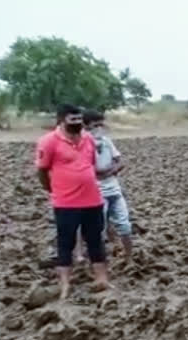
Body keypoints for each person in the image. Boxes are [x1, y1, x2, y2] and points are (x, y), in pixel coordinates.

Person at [36, 104, 109, 298]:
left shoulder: (88, 138)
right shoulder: (49, 141)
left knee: (95, 240)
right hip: (66, 202)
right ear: (61, 120)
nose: (77, 123)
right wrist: (51, 190)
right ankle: (65, 284)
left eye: (79, 119)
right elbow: (42, 171)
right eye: (73, 120)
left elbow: (91, 165)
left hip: (92, 200)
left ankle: (101, 278)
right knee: (65, 243)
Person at [83, 110, 133, 261]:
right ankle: (99, 260)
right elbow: (85, 169)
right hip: (95, 192)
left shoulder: (106, 141)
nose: (99, 128)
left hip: (114, 189)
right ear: (86, 126)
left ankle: (129, 258)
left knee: (124, 225)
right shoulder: (82, 144)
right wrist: (101, 172)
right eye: (94, 125)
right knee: (99, 228)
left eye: (100, 124)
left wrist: (109, 171)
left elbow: (120, 162)